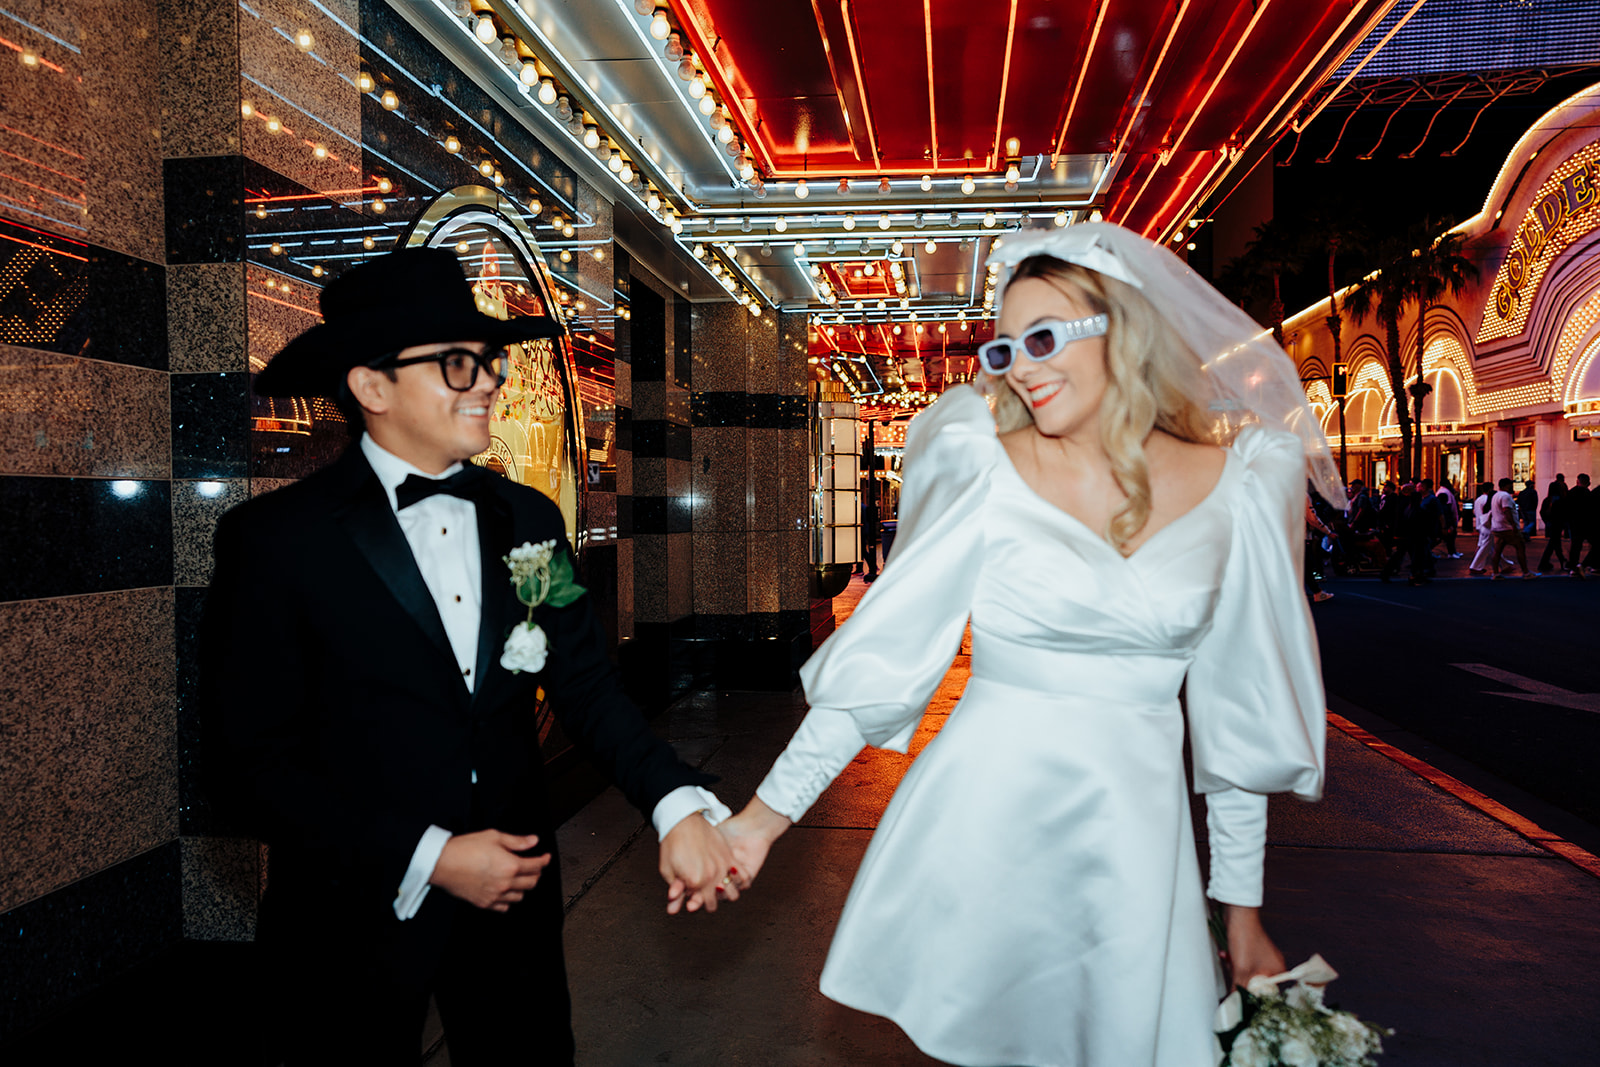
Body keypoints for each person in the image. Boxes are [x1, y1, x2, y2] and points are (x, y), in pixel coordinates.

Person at [714, 224, 1332, 1067]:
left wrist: (1243, 911)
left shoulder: (1242, 489)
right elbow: (880, 671)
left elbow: (1237, 723)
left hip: (1136, 846)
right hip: (983, 833)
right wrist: (756, 825)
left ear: (1122, 327)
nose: (1023, 367)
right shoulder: (982, 465)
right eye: (1006, 348)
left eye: (1044, 339)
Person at [200, 249, 742, 1065]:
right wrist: (431, 855)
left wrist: (674, 802)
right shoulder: (276, 542)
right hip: (349, 920)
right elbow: (246, 769)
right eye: (459, 363)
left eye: (489, 360)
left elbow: (587, 686)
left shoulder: (528, 519)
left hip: (514, 902)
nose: (488, 381)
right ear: (371, 387)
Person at [1489, 476, 1533, 578]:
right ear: (1505, 486)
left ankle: (1495, 573)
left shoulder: (1496, 496)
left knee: (1497, 550)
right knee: (1520, 547)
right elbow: (1506, 510)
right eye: (1510, 484)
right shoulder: (1506, 496)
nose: (1512, 486)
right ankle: (1526, 572)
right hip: (1507, 528)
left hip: (1497, 527)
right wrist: (1513, 525)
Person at [1537, 479, 1568, 572]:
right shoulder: (1561, 500)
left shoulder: (1548, 500)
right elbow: (1564, 514)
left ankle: (1556, 561)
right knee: (1554, 543)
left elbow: (1542, 512)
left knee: (1554, 543)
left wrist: (1547, 522)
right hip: (1558, 524)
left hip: (1551, 524)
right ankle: (1559, 561)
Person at [1468, 480, 1496, 575]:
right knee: (1486, 546)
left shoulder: (1478, 499)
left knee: (1488, 546)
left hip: (1481, 524)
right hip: (1488, 525)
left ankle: (1505, 565)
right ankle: (1475, 566)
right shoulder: (1488, 499)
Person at [1569, 473, 1594, 577]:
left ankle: (1573, 567)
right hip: (1587, 523)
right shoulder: (1588, 494)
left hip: (1574, 523)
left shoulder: (1571, 493)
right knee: (1595, 544)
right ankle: (1586, 564)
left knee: (1575, 546)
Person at [1435, 479, 1460, 557]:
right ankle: (1451, 552)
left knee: (1449, 537)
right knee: (1449, 537)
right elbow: (1448, 509)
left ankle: (1453, 552)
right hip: (1448, 520)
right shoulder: (1444, 493)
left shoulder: (1445, 491)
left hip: (1450, 518)